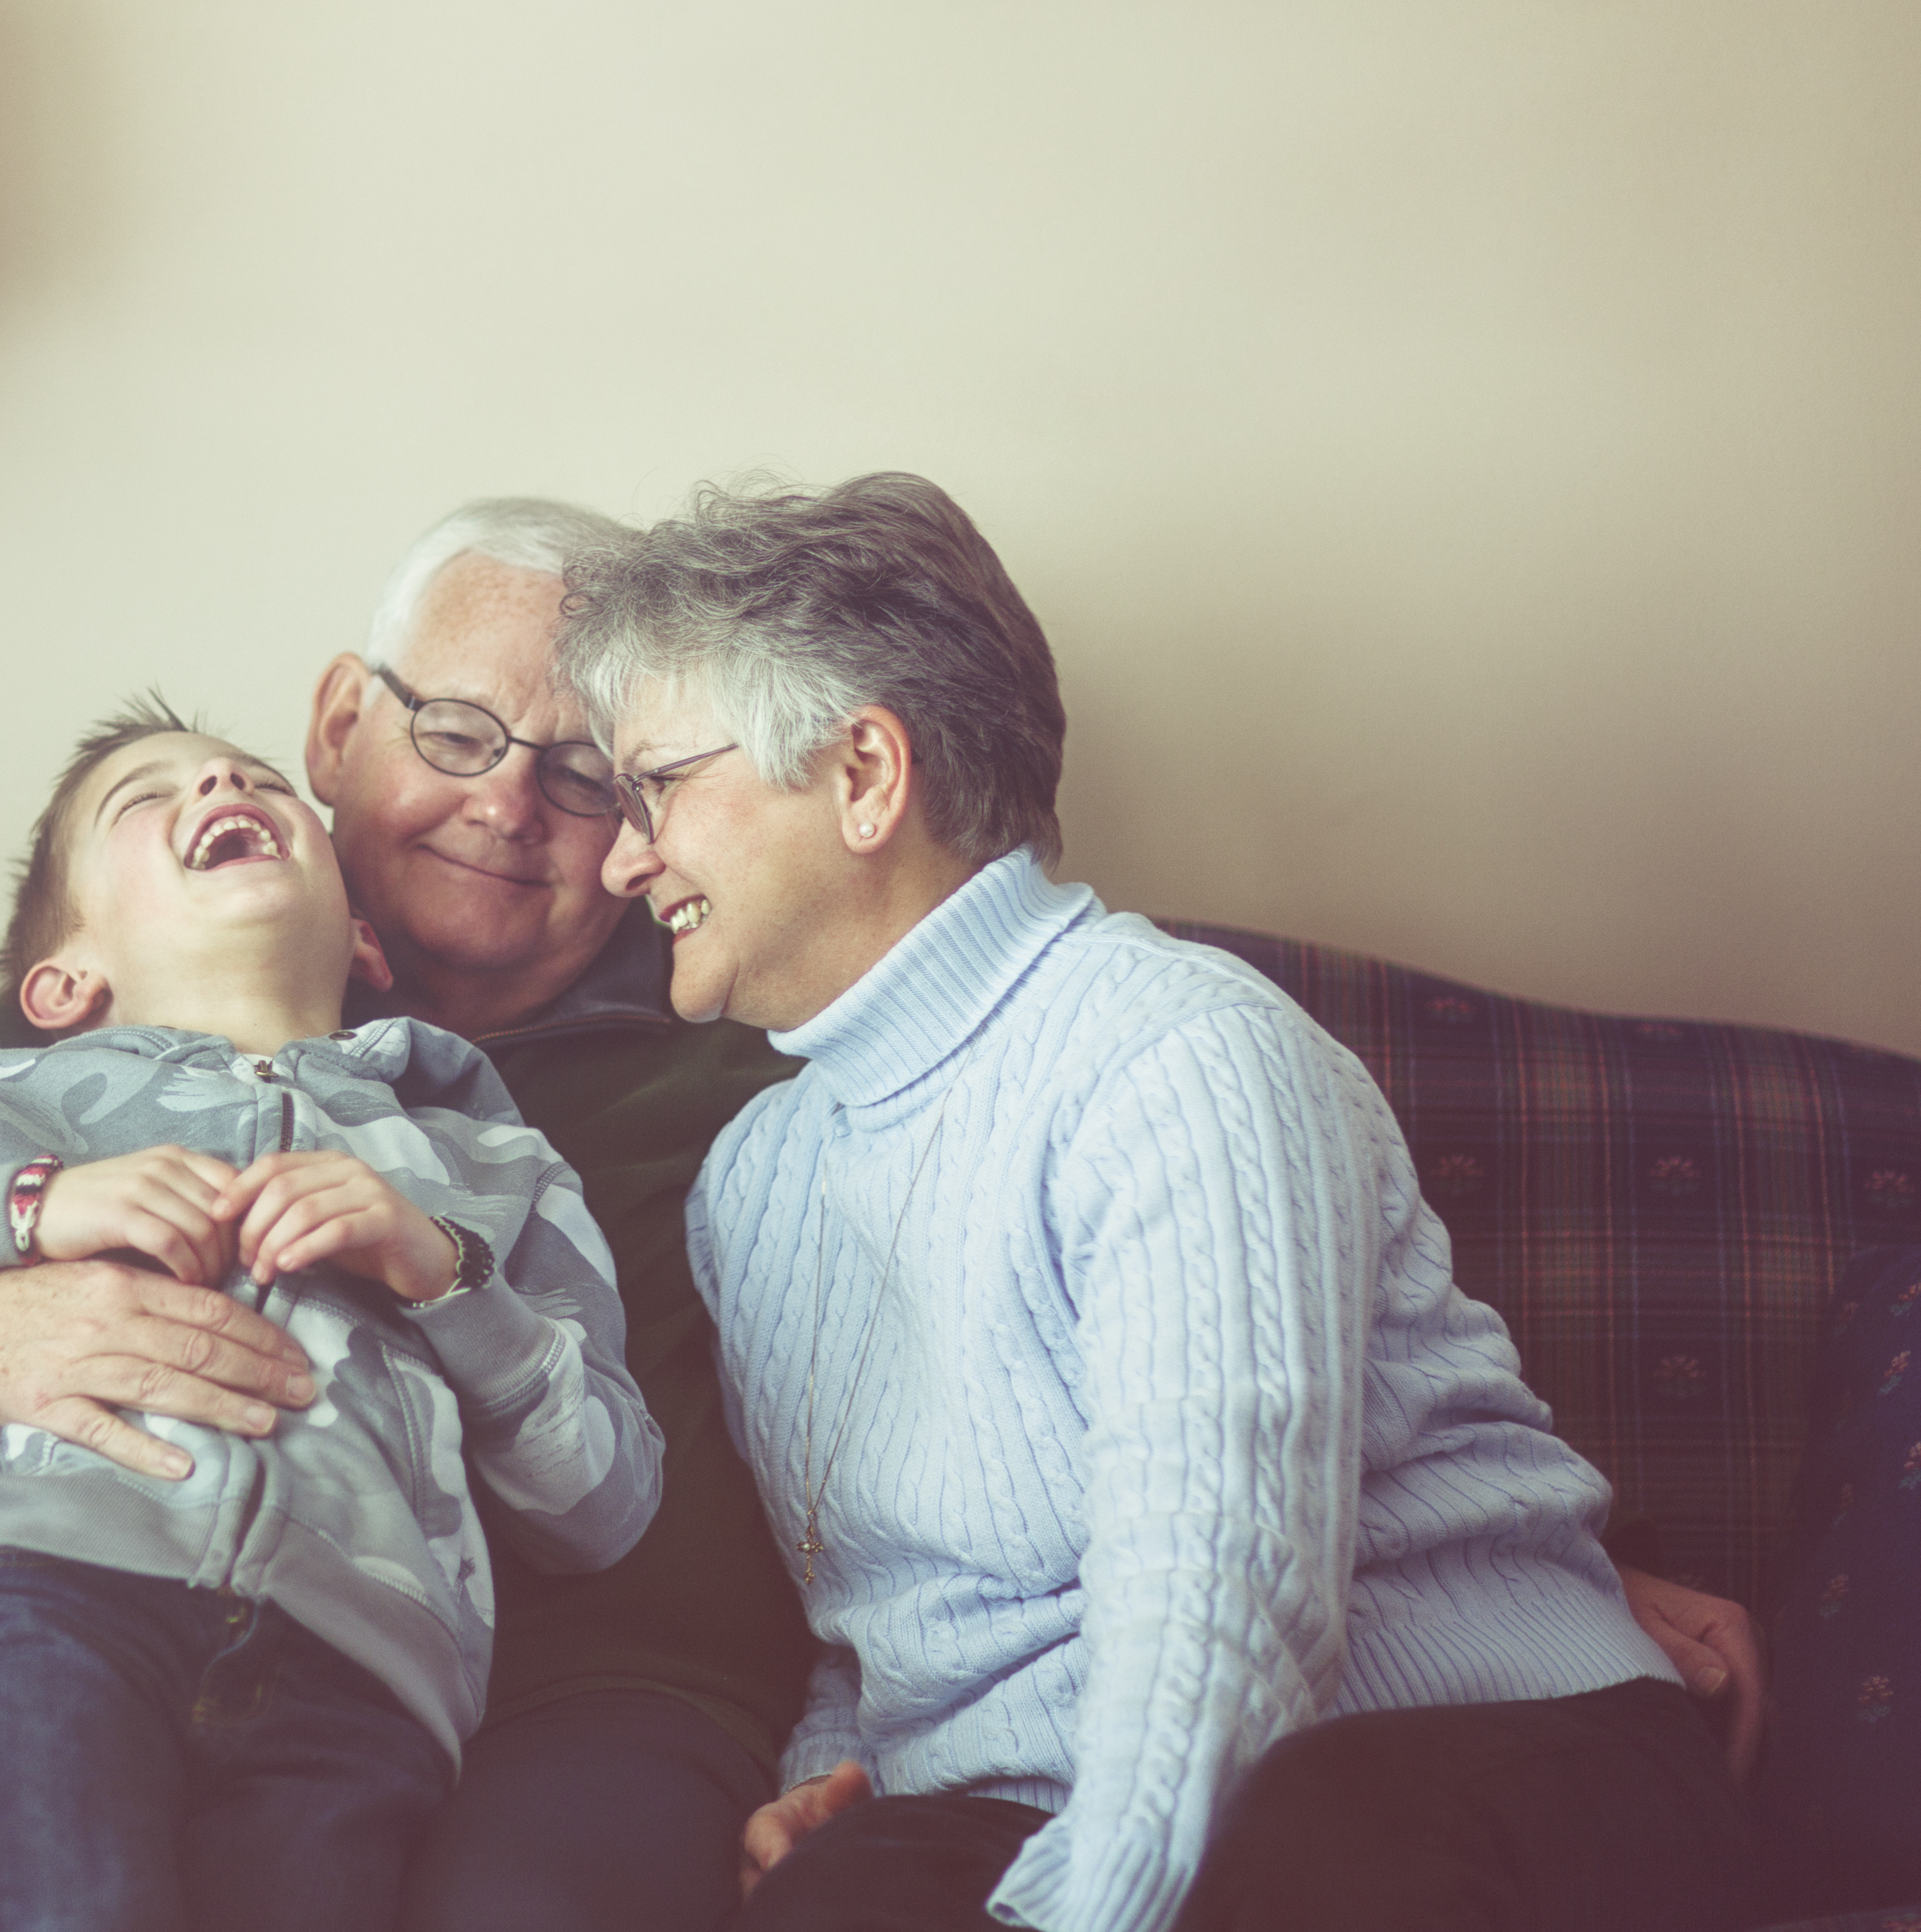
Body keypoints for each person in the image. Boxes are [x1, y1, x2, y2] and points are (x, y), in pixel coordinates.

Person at [0, 497, 1766, 1932]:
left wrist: (1562, 1544)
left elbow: (1224, 1512)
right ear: (340, 728)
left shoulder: (932, 1071)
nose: (582, 839)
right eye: (457, 738)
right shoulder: (122, 994)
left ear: (860, 776)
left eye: (625, 781)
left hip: (1155, 1755)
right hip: (176, 1611)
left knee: (1306, 1841)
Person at [560, 474, 1763, 1932]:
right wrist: (835, 1780)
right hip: (1040, 1799)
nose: (624, 857)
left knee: (1308, 1858)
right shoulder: (753, 1183)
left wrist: (1084, 1910)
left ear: (866, 773)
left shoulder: (1175, 1049)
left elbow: (1224, 1591)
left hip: (1467, 1742)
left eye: (656, 787)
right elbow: (866, 1607)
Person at [0, 700, 663, 1932]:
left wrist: (444, 1270)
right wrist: (26, 1208)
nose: (215, 788)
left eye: (251, 777)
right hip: (48, 1594)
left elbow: (602, 1507)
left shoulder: (494, 1161)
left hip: (358, 1683)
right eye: (149, 795)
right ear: (63, 980)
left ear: (364, 939)